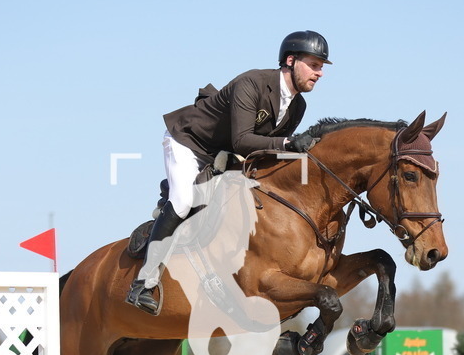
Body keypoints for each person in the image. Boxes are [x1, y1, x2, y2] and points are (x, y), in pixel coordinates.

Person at [125, 30, 331, 315]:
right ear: (290, 60)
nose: (319, 73)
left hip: (223, 154)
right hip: (190, 141)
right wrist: (287, 144)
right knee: (184, 201)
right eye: (314, 65)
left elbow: (262, 154)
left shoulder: (298, 106)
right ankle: (143, 283)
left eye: (321, 67)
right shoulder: (252, 83)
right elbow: (243, 141)